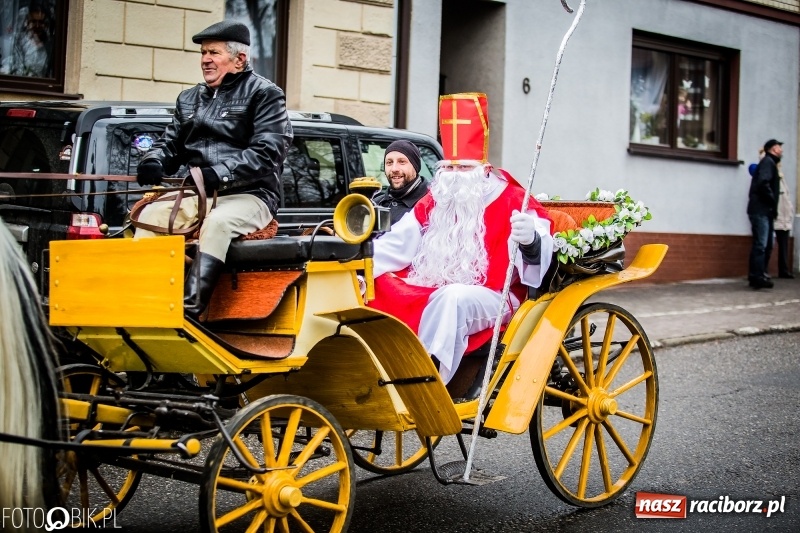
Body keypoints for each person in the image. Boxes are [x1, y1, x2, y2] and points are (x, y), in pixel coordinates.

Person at [367, 93, 554, 384]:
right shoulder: (435, 200)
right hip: (436, 284)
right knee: (376, 282)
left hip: (497, 296)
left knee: (452, 298)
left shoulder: (513, 198)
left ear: (483, 169)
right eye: (449, 168)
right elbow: (398, 241)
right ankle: (377, 367)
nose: (454, 177)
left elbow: (541, 249)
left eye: (463, 168)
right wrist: (360, 261)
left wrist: (531, 241)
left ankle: (426, 380)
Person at [134, 20, 293, 318]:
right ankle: (145, 302)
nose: (205, 59)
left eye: (214, 52)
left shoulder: (265, 94)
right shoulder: (188, 98)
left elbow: (268, 151)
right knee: (150, 214)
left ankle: (189, 309)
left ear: (239, 59)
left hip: (253, 195)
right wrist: (153, 161)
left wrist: (218, 173)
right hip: (200, 193)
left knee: (218, 223)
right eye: (203, 53)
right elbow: (170, 144)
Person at [747, 139, 784, 289]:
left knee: (766, 244)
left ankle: (759, 274)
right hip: (761, 210)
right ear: (773, 149)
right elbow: (763, 183)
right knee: (761, 244)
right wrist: (772, 199)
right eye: (779, 148)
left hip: (764, 210)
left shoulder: (769, 163)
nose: (781, 151)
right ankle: (757, 276)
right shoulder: (768, 163)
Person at [373, 140, 429, 224]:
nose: (394, 169)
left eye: (402, 162)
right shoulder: (376, 204)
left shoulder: (431, 205)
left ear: (415, 166)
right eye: (389, 163)